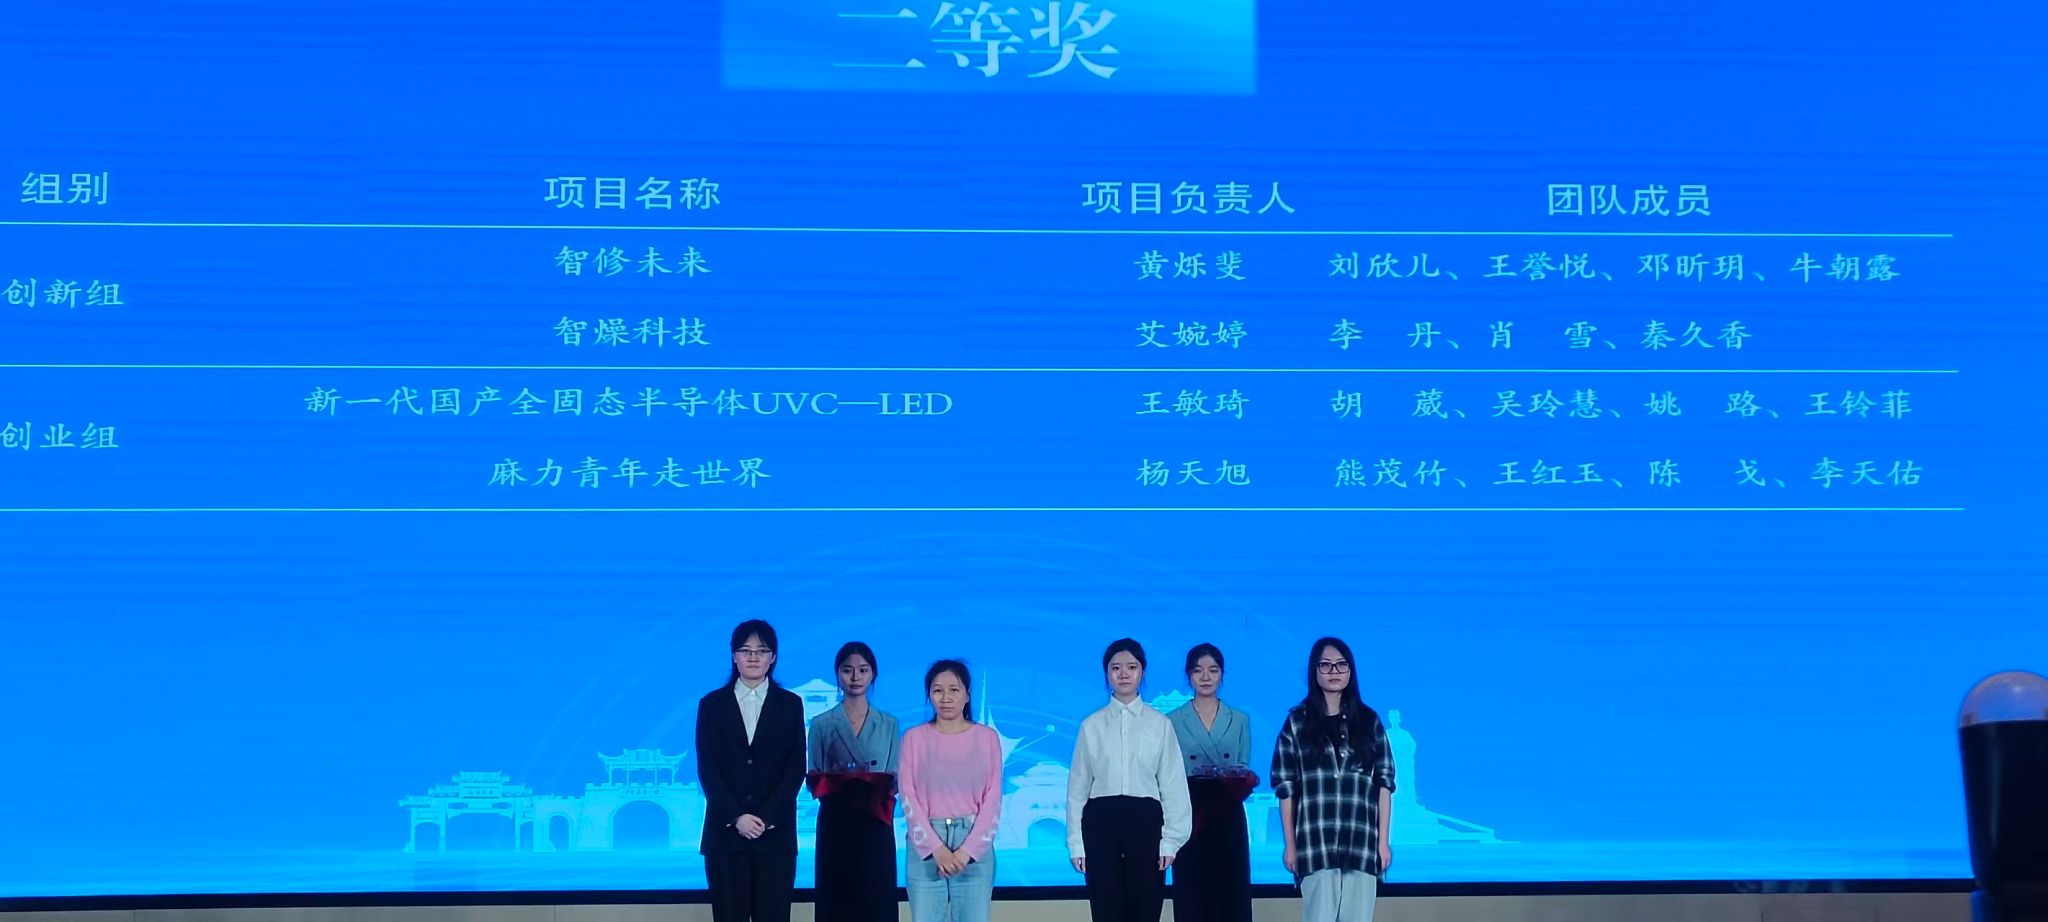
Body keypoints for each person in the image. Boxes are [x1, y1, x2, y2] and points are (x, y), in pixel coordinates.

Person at [1270, 637, 1396, 922]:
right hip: (1315, 845)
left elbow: (1384, 785)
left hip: (1361, 844)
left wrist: (1382, 843)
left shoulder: (1369, 721)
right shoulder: (1297, 723)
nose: (1334, 671)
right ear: (1314, 671)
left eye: (1341, 664)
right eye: (1325, 665)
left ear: (1351, 671)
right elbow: (1286, 788)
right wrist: (1290, 845)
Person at [1067, 638, 1193, 922]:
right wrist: (1076, 843)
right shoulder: (1091, 725)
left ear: (1142, 671)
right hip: (1100, 822)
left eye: (1131, 667)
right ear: (1107, 673)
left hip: (1145, 822)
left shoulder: (1159, 724)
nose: (1124, 674)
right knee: (1106, 909)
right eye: (1116, 668)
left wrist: (1171, 841)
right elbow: (1077, 788)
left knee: (1146, 908)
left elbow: (1172, 785)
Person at [694, 620, 807, 922]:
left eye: (761, 650)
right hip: (725, 836)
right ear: (734, 656)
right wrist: (737, 817)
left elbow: (795, 768)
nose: (753, 657)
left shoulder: (790, 704)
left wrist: (765, 818)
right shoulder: (712, 704)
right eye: (745, 650)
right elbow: (708, 768)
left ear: (773, 657)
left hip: (776, 837)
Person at [899, 659, 1004, 922]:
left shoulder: (987, 738)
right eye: (937, 690)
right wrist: (937, 849)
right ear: (929, 695)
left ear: (967, 694)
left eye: (954, 690)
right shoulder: (913, 738)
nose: (946, 698)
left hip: (973, 846)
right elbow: (908, 794)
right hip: (925, 847)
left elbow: (993, 798)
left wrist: (966, 852)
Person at [807, 641, 901, 922]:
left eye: (863, 670)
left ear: (873, 674)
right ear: (838, 674)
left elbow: (894, 776)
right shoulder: (821, 723)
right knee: (836, 899)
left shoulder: (889, 724)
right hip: (836, 822)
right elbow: (814, 774)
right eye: (848, 670)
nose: (855, 677)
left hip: (875, 822)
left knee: (876, 899)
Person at [1165, 643, 1254, 922]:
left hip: (1228, 812)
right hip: (1191, 814)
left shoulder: (1239, 720)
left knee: (1231, 891)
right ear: (1188, 675)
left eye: (1213, 670)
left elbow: (1242, 766)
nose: (1206, 677)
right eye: (1198, 671)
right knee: (1192, 892)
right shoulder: (1171, 721)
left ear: (1222, 675)